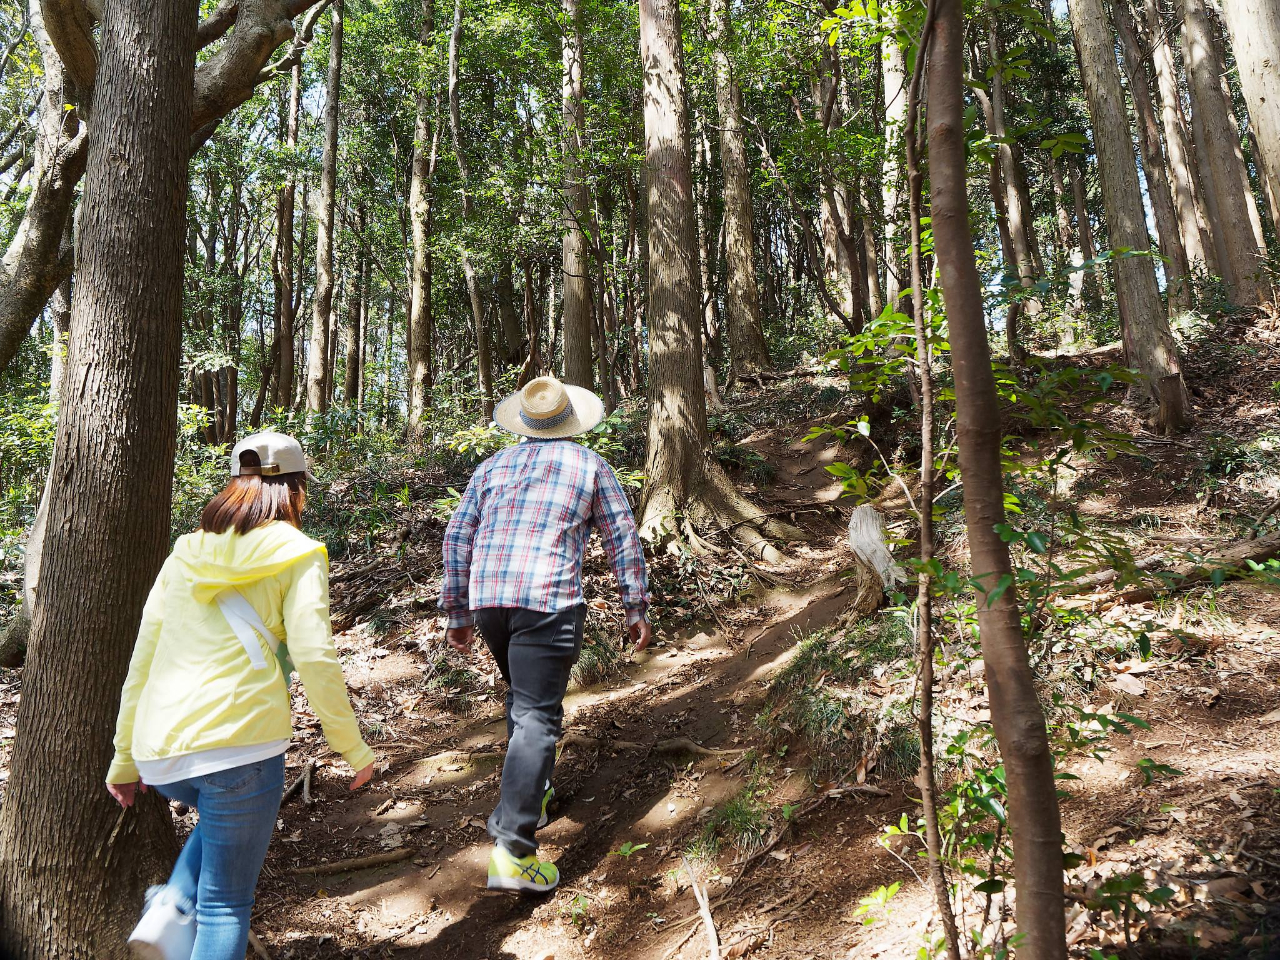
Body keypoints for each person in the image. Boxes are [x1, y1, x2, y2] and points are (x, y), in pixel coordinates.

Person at [106, 432, 375, 960]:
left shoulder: (185, 551)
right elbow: (315, 656)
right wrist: (352, 747)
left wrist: (123, 757)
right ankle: (179, 903)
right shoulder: (299, 553)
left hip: (162, 757)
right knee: (227, 903)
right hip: (241, 746)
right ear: (296, 489)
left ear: (235, 485)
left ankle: (174, 903)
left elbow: (144, 657)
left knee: (222, 817)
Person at [442, 376, 651, 894]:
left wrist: (457, 612)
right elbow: (620, 535)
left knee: (523, 702)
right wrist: (635, 605)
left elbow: (457, 536)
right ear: (571, 422)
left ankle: (531, 795)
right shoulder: (590, 465)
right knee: (537, 714)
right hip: (547, 600)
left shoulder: (491, 467)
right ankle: (513, 848)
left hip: (490, 601)